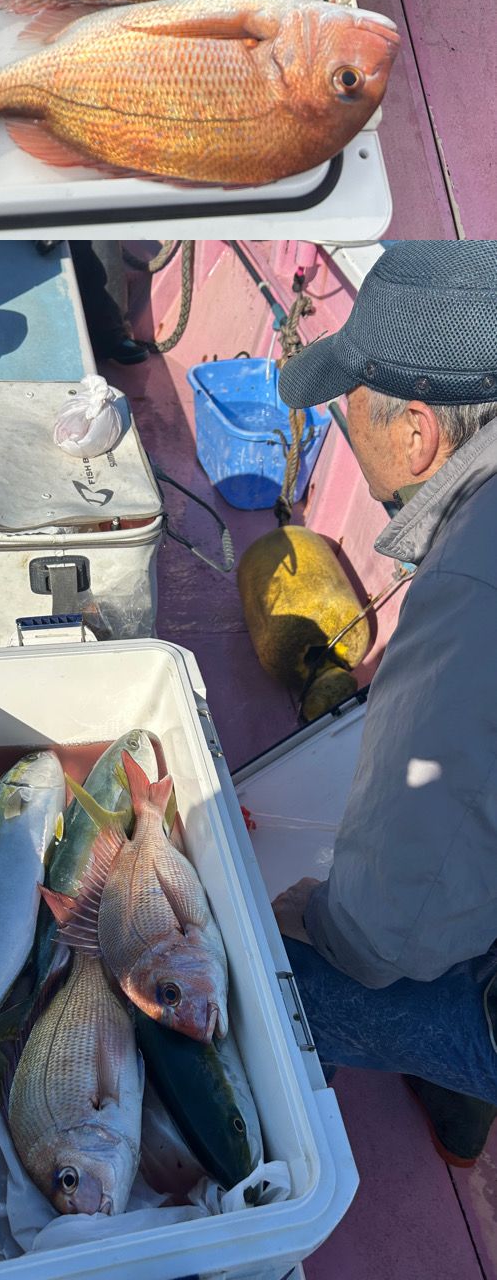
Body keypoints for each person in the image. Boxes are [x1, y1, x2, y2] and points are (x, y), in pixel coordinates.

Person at [271, 242, 497, 1167]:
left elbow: (385, 928)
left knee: (282, 973)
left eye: (348, 401)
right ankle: (459, 1112)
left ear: (416, 433)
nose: (339, 421)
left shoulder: (471, 583)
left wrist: (315, 918)